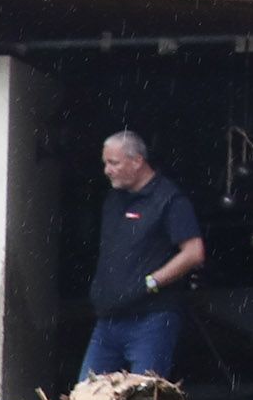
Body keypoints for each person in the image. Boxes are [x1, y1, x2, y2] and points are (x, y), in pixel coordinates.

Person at [82, 130, 206, 381]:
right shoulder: (113, 198)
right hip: (108, 318)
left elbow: (194, 253)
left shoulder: (169, 199)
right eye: (105, 163)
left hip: (151, 319)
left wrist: (151, 282)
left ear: (137, 161)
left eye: (113, 163)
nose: (107, 170)